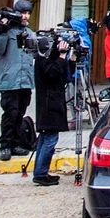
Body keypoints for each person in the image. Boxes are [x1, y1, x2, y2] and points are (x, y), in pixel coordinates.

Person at [0, 0, 36, 161]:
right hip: (10, 80)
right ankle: (5, 145)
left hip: (25, 80)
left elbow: (34, 53)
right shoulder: (6, 31)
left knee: (20, 112)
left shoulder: (29, 32)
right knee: (10, 113)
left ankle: (16, 143)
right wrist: (1, 31)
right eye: (23, 12)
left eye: (28, 13)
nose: (26, 16)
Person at [31, 36, 74, 186]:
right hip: (49, 106)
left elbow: (64, 76)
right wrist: (62, 56)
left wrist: (71, 59)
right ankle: (41, 174)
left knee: (45, 139)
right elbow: (53, 73)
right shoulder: (43, 60)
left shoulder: (48, 59)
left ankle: (40, 172)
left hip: (52, 104)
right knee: (49, 139)